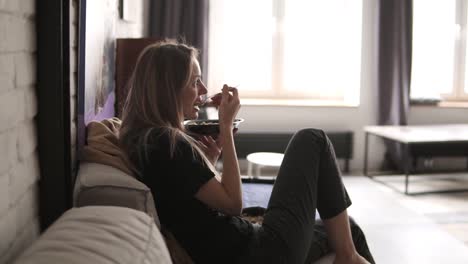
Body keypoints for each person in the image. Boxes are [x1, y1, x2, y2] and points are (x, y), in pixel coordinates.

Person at [120, 40, 374, 264]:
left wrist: (209, 158)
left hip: (248, 249)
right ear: (170, 89)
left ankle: (348, 255)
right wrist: (226, 128)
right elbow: (232, 204)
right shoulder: (166, 141)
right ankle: (349, 258)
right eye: (194, 82)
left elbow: (186, 196)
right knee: (312, 139)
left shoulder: (148, 140)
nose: (204, 91)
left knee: (349, 230)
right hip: (260, 253)